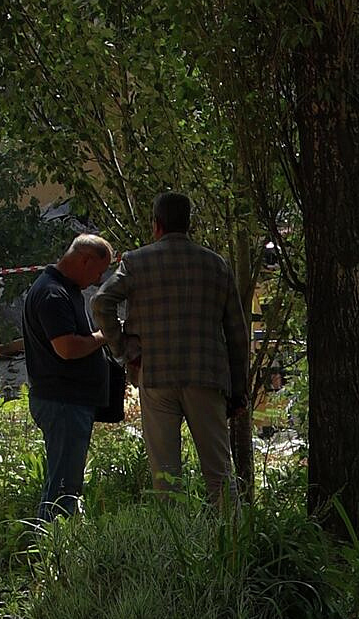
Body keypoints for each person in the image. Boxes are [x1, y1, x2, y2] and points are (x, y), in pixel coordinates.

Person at [92, 193, 250, 505]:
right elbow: (237, 334)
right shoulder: (217, 266)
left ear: (157, 225)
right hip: (207, 376)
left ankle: (172, 546)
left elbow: (101, 302)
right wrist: (239, 390)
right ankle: (234, 547)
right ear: (189, 224)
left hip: (157, 374)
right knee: (219, 473)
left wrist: (124, 348)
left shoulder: (136, 262)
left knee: (165, 475)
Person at [23, 235, 116, 520]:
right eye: (98, 270)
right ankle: (51, 547)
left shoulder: (66, 289)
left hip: (69, 401)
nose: (99, 278)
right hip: (62, 402)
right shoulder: (53, 293)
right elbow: (67, 348)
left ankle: (57, 544)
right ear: (84, 259)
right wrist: (105, 336)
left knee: (66, 481)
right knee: (63, 485)